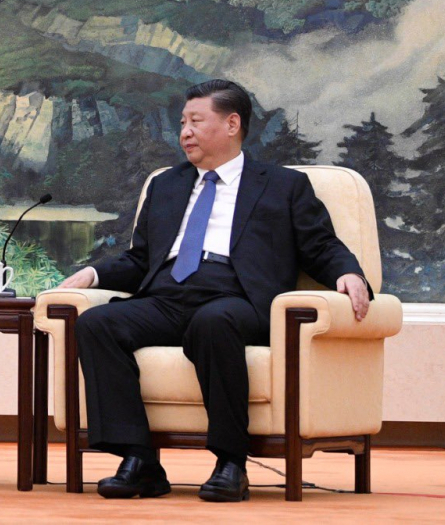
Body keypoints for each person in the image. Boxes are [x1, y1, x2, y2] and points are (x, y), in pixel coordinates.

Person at [53, 79, 371, 502]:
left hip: (236, 298)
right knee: (98, 323)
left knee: (212, 321)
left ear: (232, 123)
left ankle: (230, 462)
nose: (184, 131)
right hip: (168, 295)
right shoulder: (166, 185)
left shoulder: (282, 185)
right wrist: (93, 275)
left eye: (195, 121)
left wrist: (348, 273)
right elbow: (141, 258)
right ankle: (139, 460)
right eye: (182, 122)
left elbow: (320, 245)